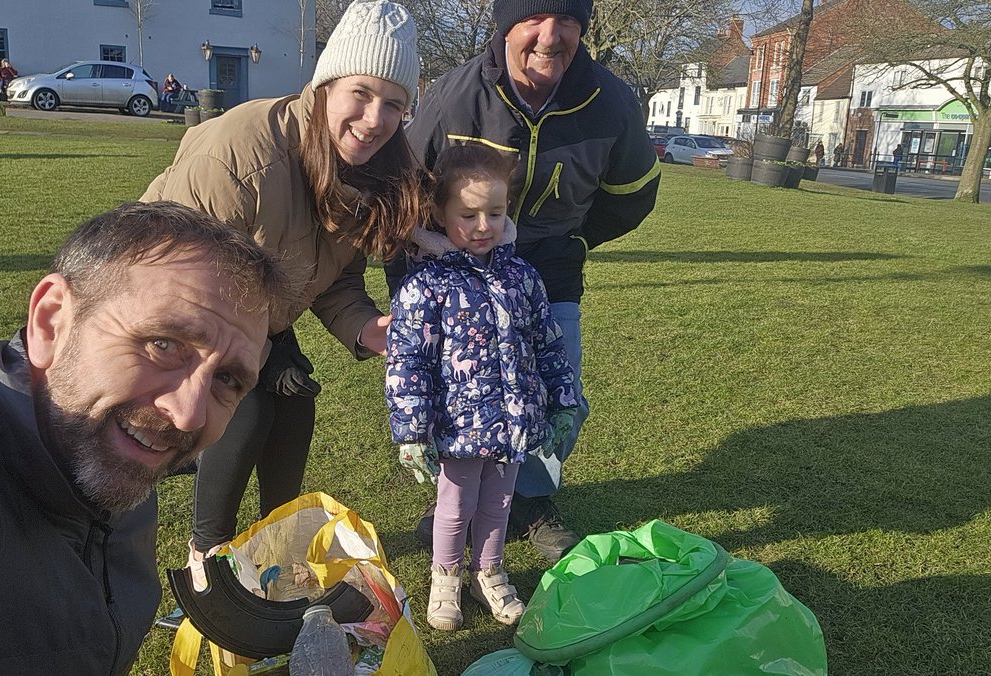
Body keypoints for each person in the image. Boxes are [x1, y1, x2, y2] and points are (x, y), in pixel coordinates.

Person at [0, 201, 285, 673]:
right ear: (51, 321)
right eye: (162, 344)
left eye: (228, 379)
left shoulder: (108, 446)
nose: (188, 414)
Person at [141, 0, 426, 586]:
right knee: (245, 403)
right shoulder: (241, 154)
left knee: (295, 405)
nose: (375, 119)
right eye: (362, 94)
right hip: (162, 307)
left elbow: (334, 275)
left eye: (394, 104)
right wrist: (259, 358)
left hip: (256, 312)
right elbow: (185, 280)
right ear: (325, 86)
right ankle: (210, 560)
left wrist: (372, 330)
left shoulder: (369, 167)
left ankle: (273, 550)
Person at [396, 0, 660, 563]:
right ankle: (457, 495)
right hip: (458, 270)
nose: (551, 35)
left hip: (551, 263)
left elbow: (633, 195)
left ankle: (533, 500)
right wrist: (411, 282)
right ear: (505, 25)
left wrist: (573, 240)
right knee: (460, 389)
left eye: (567, 19)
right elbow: (406, 194)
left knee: (560, 391)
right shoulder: (454, 96)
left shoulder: (610, 101)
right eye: (535, 17)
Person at [386, 144, 578, 630]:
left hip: (513, 422)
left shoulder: (523, 277)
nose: (482, 226)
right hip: (457, 426)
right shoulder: (425, 285)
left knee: (499, 504)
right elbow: (407, 361)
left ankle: (488, 572)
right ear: (440, 213)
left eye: (494, 212)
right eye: (467, 214)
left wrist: (561, 404)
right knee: (455, 506)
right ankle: (445, 576)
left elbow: (548, 346)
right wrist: (412, 432)